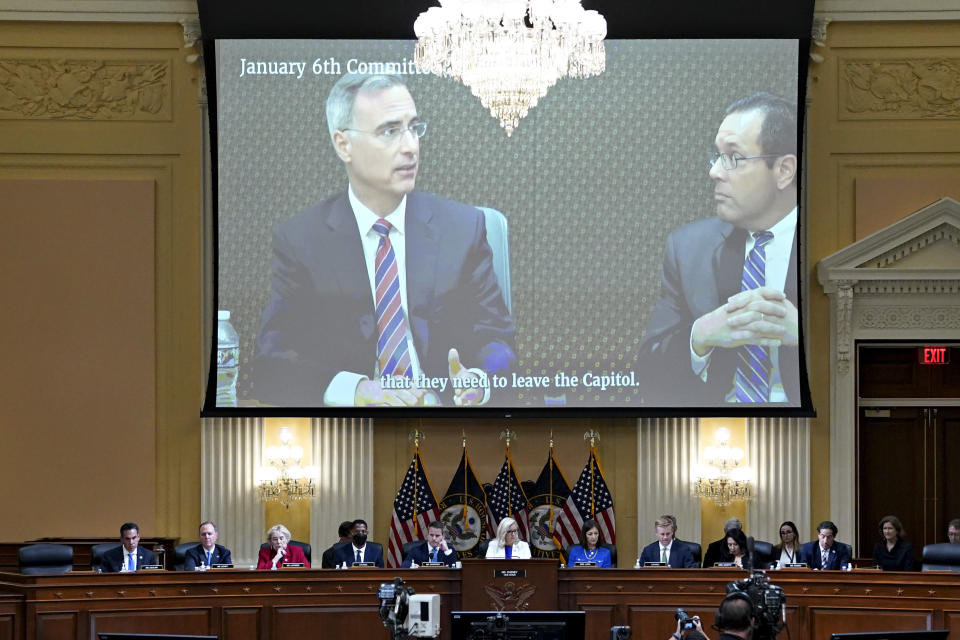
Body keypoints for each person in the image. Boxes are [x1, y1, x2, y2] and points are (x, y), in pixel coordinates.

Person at [249, 72, 516, 407]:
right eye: (390, 131)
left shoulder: (463, 229)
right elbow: (271, 364)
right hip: (351, 433)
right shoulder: (301, 241)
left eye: (414, 128)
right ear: (343, 144)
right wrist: (357, 391)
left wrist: (478, 379)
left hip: (447, 423)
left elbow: (498, 342)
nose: (410, 146)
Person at [639, 92, 800, 405]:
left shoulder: (829, 241)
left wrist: (805, 337)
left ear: (783, 171)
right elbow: (648, 371)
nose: (714, 172)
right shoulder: (689, 249)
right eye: (717, 156)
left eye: (733, 158)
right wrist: (699, 337)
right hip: (710, 430)